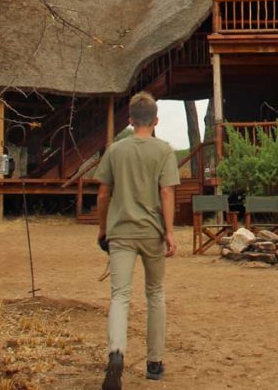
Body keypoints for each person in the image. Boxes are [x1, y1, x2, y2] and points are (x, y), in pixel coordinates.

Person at [96, 92, 180, 389]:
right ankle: (154, 362)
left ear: (130, 121)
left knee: (120, 296)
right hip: (152, 232)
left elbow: (104, 193)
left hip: (120, 232)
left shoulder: (115, 151)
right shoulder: (164, 151)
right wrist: (169, 232)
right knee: (155, 293)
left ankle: (116, 352)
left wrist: (102, 229)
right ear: (156, 120)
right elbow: (167, 192)